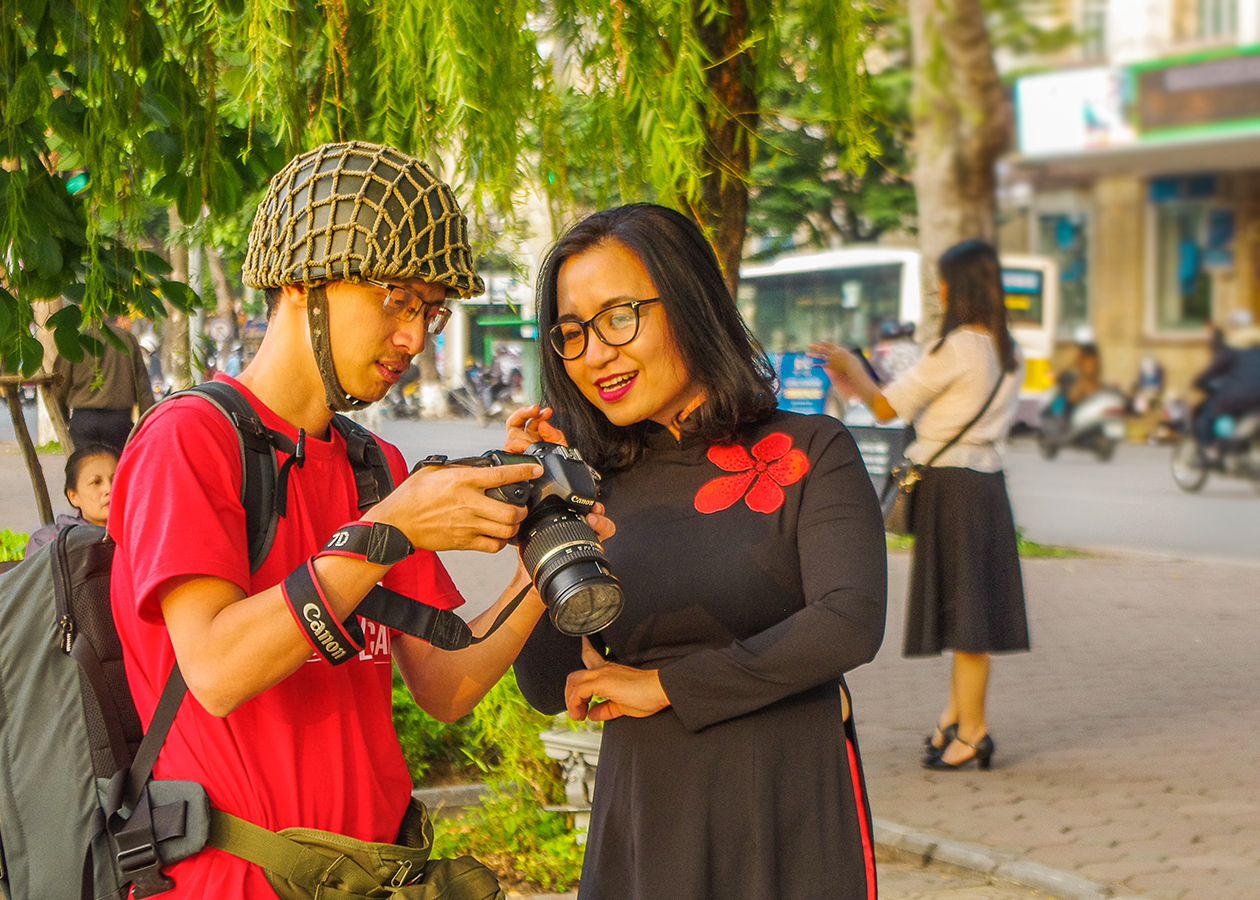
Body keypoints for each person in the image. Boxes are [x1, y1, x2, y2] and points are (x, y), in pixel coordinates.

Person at [108, 140, 610, 898]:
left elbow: (446, 686)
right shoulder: (191, 440)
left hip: (370, 877)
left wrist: (548, 555)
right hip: (234, 880)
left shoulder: (376, 466)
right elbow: (214, 671)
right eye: (398, 299)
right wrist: (390, 533)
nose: (414, 338)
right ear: (307, 280)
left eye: (431, 312)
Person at [508, 203, 887, 900]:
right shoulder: (595, 484)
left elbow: (849, 620)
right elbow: (545, 683)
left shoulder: (811, 449)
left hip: (786, 810)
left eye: (619, 317)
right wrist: (543, 523)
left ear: (689, 302)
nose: (595, 353)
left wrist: (663, 687)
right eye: (571, 333)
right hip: (649, 819)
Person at [811, 238, 1028, 772]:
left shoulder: (956, 348)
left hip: (952, 487)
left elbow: (886, 406)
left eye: (944, 281)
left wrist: (850, 365)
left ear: (959, 286)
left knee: (967, 616)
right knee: (967, 608)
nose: (940, 290)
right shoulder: (1008, 350)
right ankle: (954, 719)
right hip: (987, 487)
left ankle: (973, 731)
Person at [52, 315, 157, 453]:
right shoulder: (126, 339)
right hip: (118, 422)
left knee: (84, 470)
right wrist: (146, 427)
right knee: (117, 471)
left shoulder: (75, 339)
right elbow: (143, 389)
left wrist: (63, 417)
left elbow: (59, 384)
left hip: (84, 420)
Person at [23, 443, 118, 555]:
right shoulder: (49, 543)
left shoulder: (138, 535)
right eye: (96, 482)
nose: (109, 489)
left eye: (115, 479)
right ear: (73, 496)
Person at [1191, 309, 1260, 453]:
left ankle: (1210, 450)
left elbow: (1215, 369)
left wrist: (1197, 380)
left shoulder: (1232, 344)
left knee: (1208, 411)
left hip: (1238, 393)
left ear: (1234, 326)